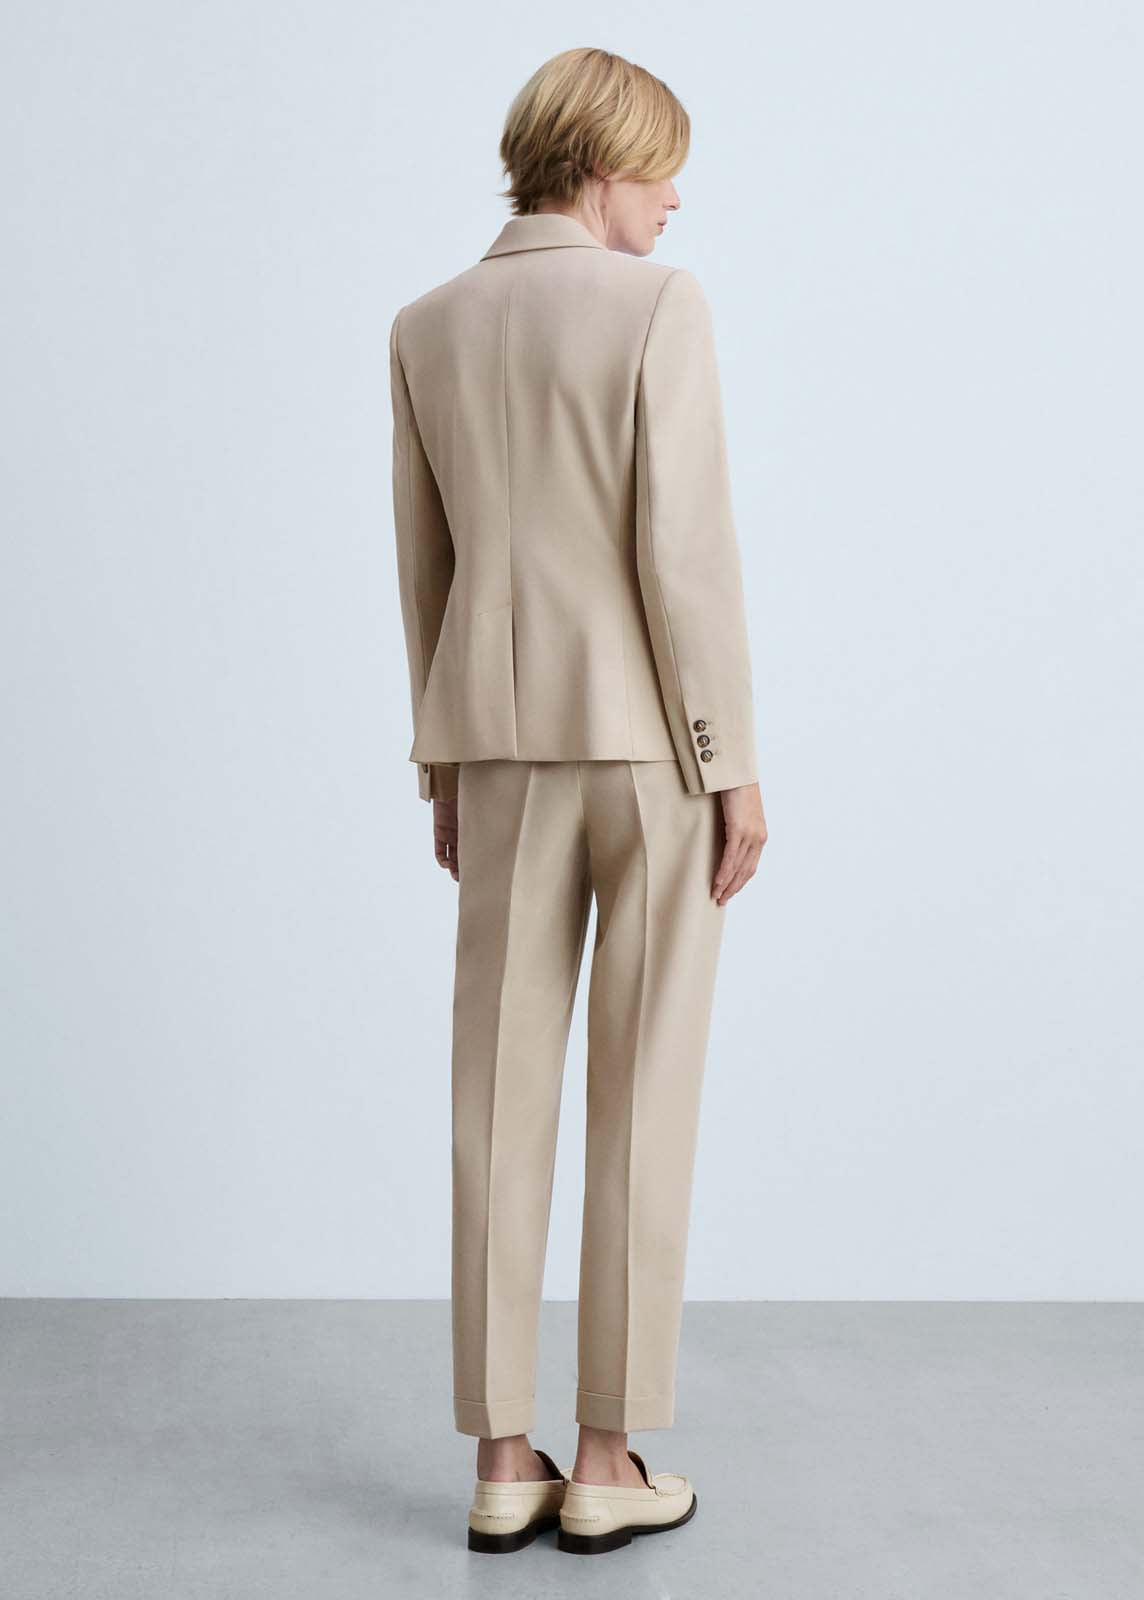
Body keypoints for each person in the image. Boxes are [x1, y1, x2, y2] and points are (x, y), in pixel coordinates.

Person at [388, 45, 768, 1556]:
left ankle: (502, 1458)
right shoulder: (657, 306)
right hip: (650, 750)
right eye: (663, 167)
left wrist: (442, 762)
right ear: (603, 160)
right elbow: (685, 555)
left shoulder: (426, 324)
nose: (675, 200)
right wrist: (730, 761)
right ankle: (606, 1459)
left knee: (495, 1089)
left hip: (494, 743)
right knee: (641, 1084)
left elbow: (426, 567)